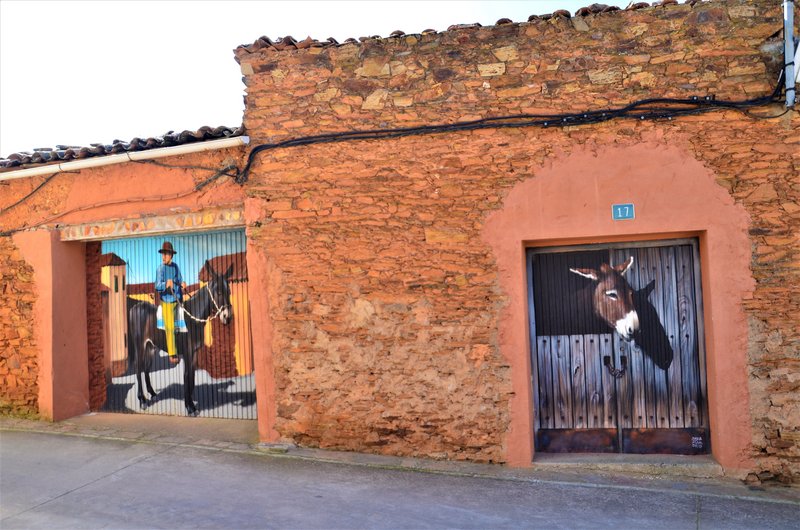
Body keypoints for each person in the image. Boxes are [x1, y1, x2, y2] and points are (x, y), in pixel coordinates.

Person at [155, 241, 188, 364]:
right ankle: (172, 353)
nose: (163, 257)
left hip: (178, 300)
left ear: (171, 256)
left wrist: (183, 284)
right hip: (167, 301)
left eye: (166, 254)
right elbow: (157, 286)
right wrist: (165, 284)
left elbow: (179, 280)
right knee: (170, 326)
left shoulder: (176, 267)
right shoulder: (160, 269)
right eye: (162, 254)